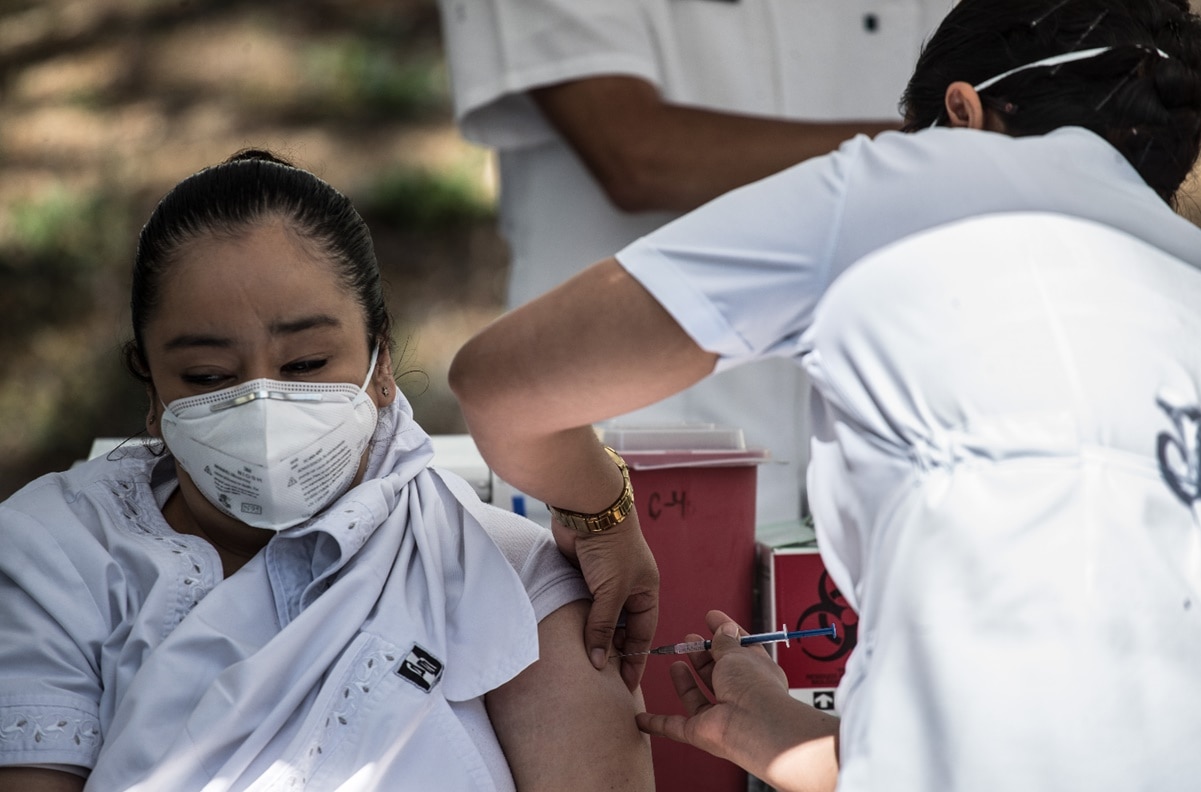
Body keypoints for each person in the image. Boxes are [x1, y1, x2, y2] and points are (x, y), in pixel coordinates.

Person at [449, 0, 1201, 788]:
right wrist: (795, 740)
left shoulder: (915, 174)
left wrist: (599, 511)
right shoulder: (1184, 278)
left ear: (960, 111)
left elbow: (502, 385)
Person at [0, 150, 654, 791]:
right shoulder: (60, 556)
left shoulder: (499, 577)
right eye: (208, 376)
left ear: (382, 362)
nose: (260, 405)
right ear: (152, 386)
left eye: (306, 364)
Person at [436, 0, 955, 530]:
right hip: (632, 457)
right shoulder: (959, 148)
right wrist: (952, 152)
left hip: (900, 448)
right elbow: (634, 151)